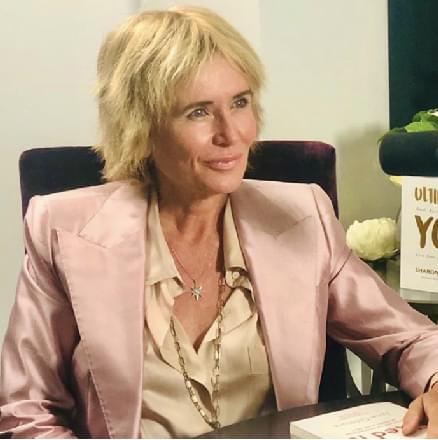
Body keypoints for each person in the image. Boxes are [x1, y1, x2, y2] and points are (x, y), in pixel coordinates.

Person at [1, 5, 438, 438]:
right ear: (142, 127)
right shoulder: (63, 231)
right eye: (198, 111)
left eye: (240, 102)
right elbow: (25, 413)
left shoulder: (304, 216)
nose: (232, 134)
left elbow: (411, 339)